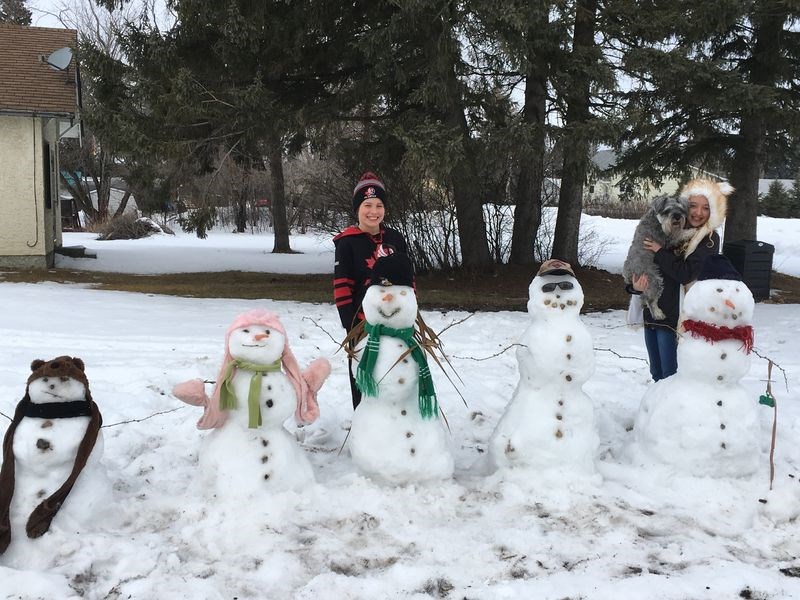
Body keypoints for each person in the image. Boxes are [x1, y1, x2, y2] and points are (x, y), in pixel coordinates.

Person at [628, 178, 731, 381]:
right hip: (653, 313)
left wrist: (659, 252)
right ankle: (658, 411)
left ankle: (672, 411)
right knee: (656, 373)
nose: (698, 213)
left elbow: (685, 273)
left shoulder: (708, 240)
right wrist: (634, 287)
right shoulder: (667, 231)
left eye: (705, 208)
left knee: (671, 375)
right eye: (693, 206)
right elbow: (641, 262)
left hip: (675, 319)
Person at [333, 171, 410, 409]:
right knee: (364, 374)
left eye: (378, 205)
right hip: (363, 323)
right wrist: (351, 326)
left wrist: (409, 313)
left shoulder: (396, 239)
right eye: (367, 205)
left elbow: (409, 280)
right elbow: (342, 287)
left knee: (396, 373)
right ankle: (363, 422)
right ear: (357, 208)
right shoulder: (347, 243)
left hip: (395, 321)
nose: (373, 211)